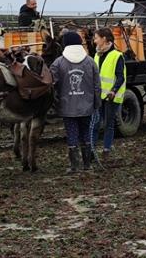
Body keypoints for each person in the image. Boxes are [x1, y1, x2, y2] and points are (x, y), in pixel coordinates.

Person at [50, 32, 101, 174]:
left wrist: (55, 103)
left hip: (68, 107)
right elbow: (97, 85)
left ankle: (74, 166)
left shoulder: (58, 63)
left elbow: (51, 84)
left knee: (72, 134)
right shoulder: (90, 61)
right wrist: (97, 104)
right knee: (86, 133)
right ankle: (87, 165)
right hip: (87, 106)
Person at [91, 28, 126, 161]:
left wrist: (114, 90)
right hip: (99, 96)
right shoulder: (97, 55)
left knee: (108, 124)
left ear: (104, 39)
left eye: (96, 38)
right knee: (95, 123)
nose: (94, 41)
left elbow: (120, 77)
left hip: (111, 96)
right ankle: (92, 151)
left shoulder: (117, 56)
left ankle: (106, 150)